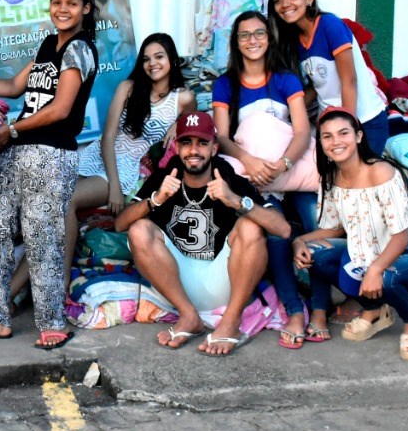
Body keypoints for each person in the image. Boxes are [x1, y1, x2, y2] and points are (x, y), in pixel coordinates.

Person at [0, 0, 99, 349]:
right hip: (17, 149)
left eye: (71, 3)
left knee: (42, 237)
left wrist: (14, 130)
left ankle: (53, 321)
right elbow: (17, 87)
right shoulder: (48, 43)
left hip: (50, 152)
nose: (62, 9)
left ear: (85, 8)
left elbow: (61, 108)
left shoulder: (81, 49)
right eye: (57, 2)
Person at [115, 111, 291, 355]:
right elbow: (119, 224)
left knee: (251, 226)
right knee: (139, 229)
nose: (193, 150)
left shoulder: (229, 177)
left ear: (215, 148)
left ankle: (230, 322)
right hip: (175, 283)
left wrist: (236, 201)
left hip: (224, 282)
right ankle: (188, 316)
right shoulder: (166, 176)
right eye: (186, 142)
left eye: (202, 143)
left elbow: (282, 229)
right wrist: (155, 199)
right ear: (177, 147)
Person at [292, 107, 408, 361]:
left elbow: (401, 236)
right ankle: (374, 309)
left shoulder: (381, 172)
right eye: (327, 136)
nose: (336, 141)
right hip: (367, 252)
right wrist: (299, 241)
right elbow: (337, 227)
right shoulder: (331, 177)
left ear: (359, 136)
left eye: (343, 133)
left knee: (384, 276)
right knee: (315, 254)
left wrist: (374, 270)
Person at [211, 10, 313, 349]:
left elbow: (302, 131)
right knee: (275, 232)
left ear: (269, 38)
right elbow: (222, 138)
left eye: (259, 33)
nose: (252, 40)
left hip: (289, 175)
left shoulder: (285, 79)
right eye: (244, 35)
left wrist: (283, 163)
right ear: (235, 42)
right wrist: (250, 161)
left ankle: (328, 307)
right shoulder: (225, 84)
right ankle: (295, 311)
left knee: (319, 222)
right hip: (251, 177)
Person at [67, 32, 193, 277]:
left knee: (66, 201)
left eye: (159, 57)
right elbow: (108, 137)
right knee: (50, 202)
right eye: (146, 59)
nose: (152, 64)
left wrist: (176, 124)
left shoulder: (184, 98)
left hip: (129, 166)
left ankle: (59, 284)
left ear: (172, 60)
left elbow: (190, 122)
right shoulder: (128, 87)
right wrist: (113, 185)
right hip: (100, 155)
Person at [268, 0, 390, 154]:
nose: (285, 4)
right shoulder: (294, 39)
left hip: (363, 121)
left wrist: (346, 130)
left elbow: (349, 81)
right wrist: (286, 112)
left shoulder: (330, 25)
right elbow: (319, 85)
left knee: (361, 181)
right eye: (277, 0)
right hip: (328, 126)